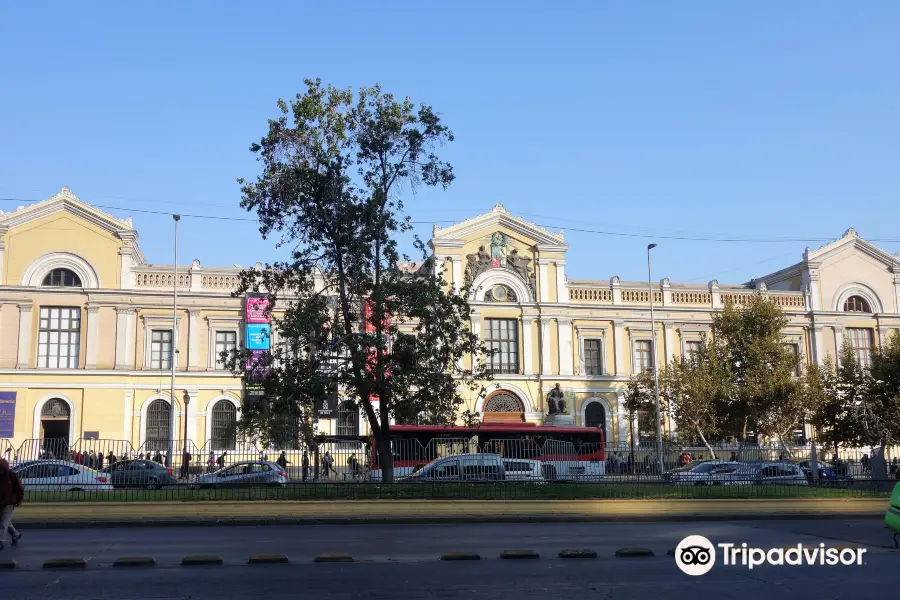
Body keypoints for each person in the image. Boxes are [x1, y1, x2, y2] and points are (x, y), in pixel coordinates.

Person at [0, 458, 24, 551]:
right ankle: (16, 535)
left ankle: (1, 541)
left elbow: (19, 489)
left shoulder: (12, 476)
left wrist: (18, 500)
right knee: (4, 521)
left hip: (9, 503)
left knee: (3, 523)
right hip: (1, 503)